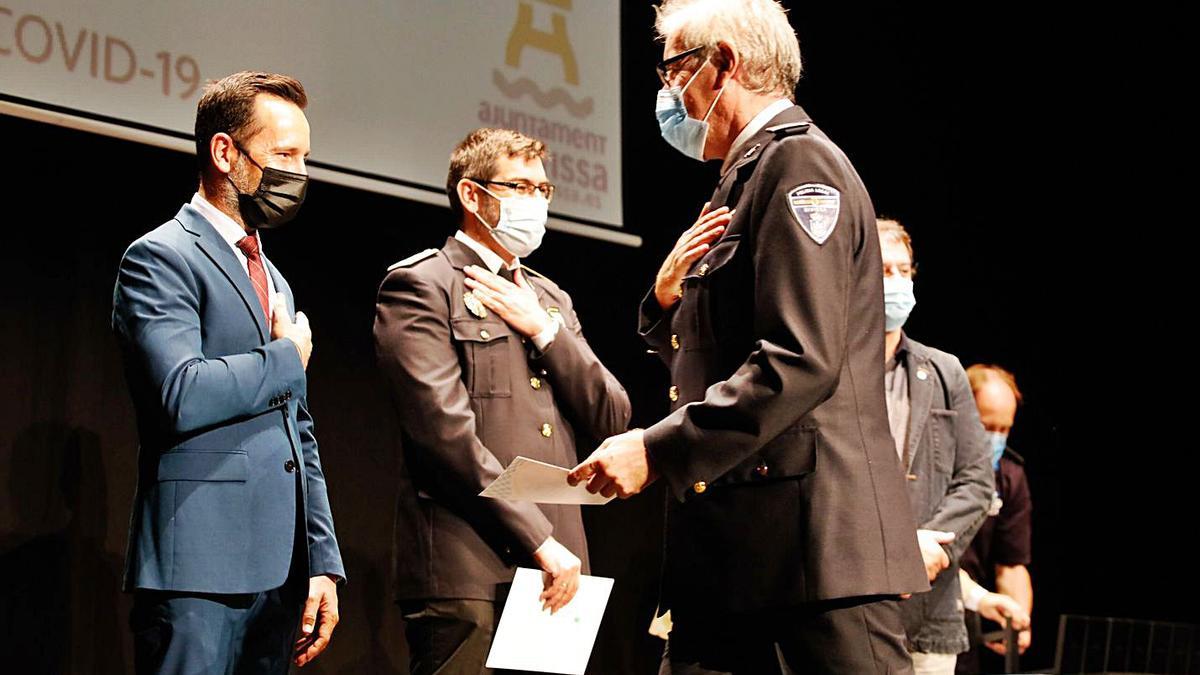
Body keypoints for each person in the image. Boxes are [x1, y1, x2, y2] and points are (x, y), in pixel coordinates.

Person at [568, 1, 928, 671]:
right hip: (741, 555)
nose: (667, 92)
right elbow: (717, 352)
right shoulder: (742, 177)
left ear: (724, 63)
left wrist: (657, 448)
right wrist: (664, 302)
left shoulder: (800, 168)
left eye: (674, 69)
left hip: (813, 559)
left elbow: (799, 358)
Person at [373, 127, 631, 675]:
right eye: (519, 186)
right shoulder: (423, 284)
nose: (536, 201)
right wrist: (537, 539)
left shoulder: (549, 297)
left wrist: (545, 331)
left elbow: (612, 415)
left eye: (543, 190)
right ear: (472, 195)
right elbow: (445, 436)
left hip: (561, 569)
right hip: (471, 567)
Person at [111, 71, 344, 674]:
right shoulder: (161, 256)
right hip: (199, 568)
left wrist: (320, 559)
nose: (298, 172)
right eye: (283, 154)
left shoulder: (276, 277)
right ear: (224, 152)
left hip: (282, 572)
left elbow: (300, 432)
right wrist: (284, 357)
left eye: (305, 157)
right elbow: (181, 393)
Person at [877, 219, 994, 674]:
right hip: (847, 607)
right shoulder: (831, 371)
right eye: (883, 270)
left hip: (928, 610)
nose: (897, 283)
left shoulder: (945, 372)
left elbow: (977, 480)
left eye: (904, 271)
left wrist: (932, 548)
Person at [959, 365, 1034, 671]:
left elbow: (1012, 563)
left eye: (1004, 429)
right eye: (986, 426)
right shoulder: (928, 464)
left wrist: (1018, 618)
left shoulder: (1009, 477)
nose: (995, 438)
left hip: (967, 617)